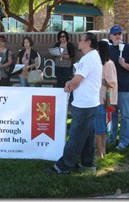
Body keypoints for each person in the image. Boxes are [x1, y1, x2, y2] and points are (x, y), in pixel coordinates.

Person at [43, 32, 102, 174]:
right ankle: (88, 163)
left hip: (83, 105)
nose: (78, 43)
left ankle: (62, 166)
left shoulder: (88, 59)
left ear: (88, 42)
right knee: (87, 135)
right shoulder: (93, 56)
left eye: (81, 40)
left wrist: (68, 84)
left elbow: (76, 81)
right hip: (91, 103)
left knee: (75, 136)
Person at [108, 26, 129, 150]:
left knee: (126, 116)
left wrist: (124, 64)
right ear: (110, 36)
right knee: (113, 115)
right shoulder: (109, 50)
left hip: (124, 88)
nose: (118, 36)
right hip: (112, 88)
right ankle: (112, 138)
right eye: (115, 34)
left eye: (120, 33)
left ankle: (124, 141)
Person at [94, 40, 117, 159]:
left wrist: (97, 79)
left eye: (97, 49)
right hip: (98, 97)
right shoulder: (100, 63)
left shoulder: (109, 64)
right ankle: (102, 151)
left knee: (100, 127)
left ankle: (100, 152)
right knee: (101, 127)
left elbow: (112, 82)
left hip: (103, 99)